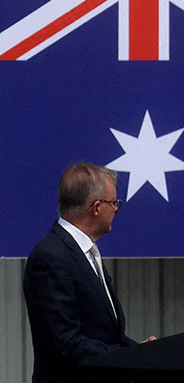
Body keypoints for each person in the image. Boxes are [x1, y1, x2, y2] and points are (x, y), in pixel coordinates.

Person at [23, 163, 154, 383]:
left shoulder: (85, 252)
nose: (115, 210)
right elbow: (64, 342)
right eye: (114, 203)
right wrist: (128, 357)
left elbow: (103, 334)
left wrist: (140, 352)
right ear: (96, 207)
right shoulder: (51, 257)